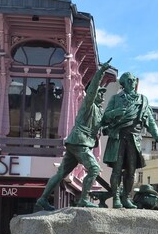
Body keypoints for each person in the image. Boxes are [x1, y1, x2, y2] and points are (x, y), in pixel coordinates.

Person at [36, 59, 113, 211]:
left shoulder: (98, 112)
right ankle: (83, 199)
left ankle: (42, 199)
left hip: (77, 143)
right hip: (80, 142)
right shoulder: (88, 104)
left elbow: (101, 126)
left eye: (104, 95)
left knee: (61, 173)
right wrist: (100, 72)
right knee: (94, 169)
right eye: (101, 93)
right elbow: (92, 90)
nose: (103, 97)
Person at [102, 71, 158, 209]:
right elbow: (105, 118)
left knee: (131, 171)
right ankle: (116, 198)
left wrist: (156, 136)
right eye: (130, 80)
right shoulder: (115, 99)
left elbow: (150, 119)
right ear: (124, 83)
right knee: (117, 169)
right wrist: (115, 112)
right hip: (119, 137)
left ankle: (126, 197)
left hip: (134, 139)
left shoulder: (143, 100)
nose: (133, 82)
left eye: (134, 80)